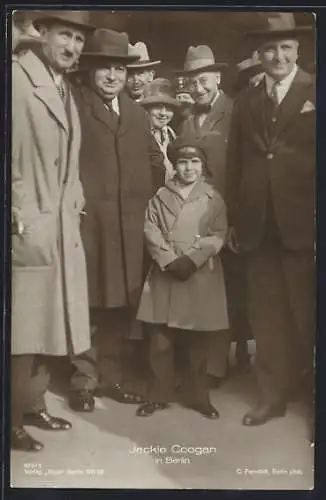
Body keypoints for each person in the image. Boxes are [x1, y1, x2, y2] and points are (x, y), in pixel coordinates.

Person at [68, 28, 165, 412]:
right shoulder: (75, 107)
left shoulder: (137, 113)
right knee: (89, 303)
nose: (113, 76)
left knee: (120, 306)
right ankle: (83, 381)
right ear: (90, 71)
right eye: (104, 68)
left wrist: (146, 198)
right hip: (90, 225)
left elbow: (155, 160)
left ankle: (111, 377)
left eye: (120, 70)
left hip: (129, 227)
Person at [226, 13, 315, 427]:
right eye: (269, 49)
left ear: (298, 50)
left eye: (285, 48)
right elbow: (235, 162)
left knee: (310, 312)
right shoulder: (247, 99)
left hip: (305, 223)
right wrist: (232, 217)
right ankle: (272, 395)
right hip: (257, 222)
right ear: (258, 54)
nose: (277, 56)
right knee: (266, 314)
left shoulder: (315, 90)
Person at [11, 10, 94, 452]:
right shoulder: (17, 80)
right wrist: (18, 212)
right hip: (28, 223)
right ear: (41, 33)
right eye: (66, 35)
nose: (73, 46)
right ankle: (10, 420)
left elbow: (69, 159)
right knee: (21, 329)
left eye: (79, 40)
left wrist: (75, 193)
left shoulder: (61, 84)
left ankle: (31, 404)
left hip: (58, 222)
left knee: (47, 321)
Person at [136, 134, 229, 418]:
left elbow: (218, 233)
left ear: (203, 166)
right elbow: (150, 229)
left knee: (197, 342)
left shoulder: (213, 198)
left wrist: (193, 259)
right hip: (167, 272)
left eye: (194, 162)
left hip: (198, 274)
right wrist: (167, 259)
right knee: (160, 341)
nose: (189, 168)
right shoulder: (160, 196)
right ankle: (158, 394)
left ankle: (198, 395)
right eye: (182, 162)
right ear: (174, 166)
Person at [176, 45, 233, 385]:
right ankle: (194, 364)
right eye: (192, 81)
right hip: (188, 216)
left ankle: (215, 366)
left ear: (218, 78)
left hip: (221, 213)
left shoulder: (234, 112)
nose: (198, 87)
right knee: (195, 288)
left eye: (204, 80)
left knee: (219, 291)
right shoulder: (185, 118)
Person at [141, 78, 180, 182]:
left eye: (168, 108)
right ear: (147, 108)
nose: (163, 113)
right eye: (157, 107)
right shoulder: (139, 135)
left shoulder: (171, 134)